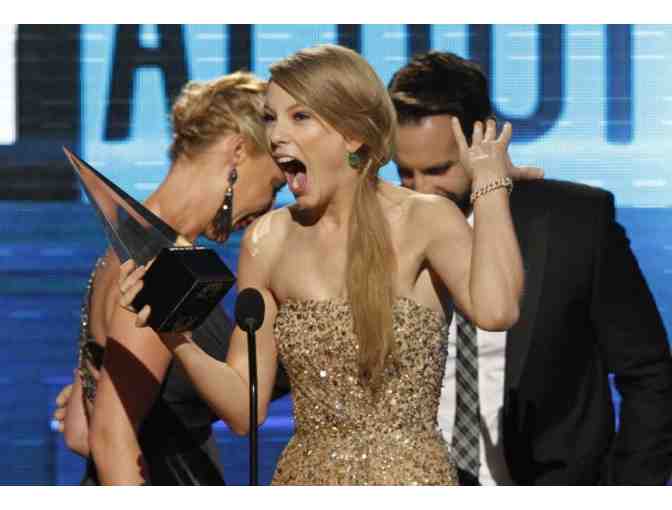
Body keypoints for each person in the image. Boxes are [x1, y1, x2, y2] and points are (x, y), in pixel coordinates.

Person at [118, 44, 524, 485]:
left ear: (352, 134)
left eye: (299, 117)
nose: (275, 136)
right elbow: (244, 409)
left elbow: (497, 310)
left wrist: (490, 185)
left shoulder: (427, 219)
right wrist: (174, 336)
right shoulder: (266, 241)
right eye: (270, 118)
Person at [388, 51, 672, 485]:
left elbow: (649, 375)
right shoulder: (383, 233)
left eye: (438, 170)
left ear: (482, 138)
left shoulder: (575, 224)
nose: (421, 191)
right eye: (405, 174)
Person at [52, 71, 287, 485]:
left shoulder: (125, 249)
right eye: (273, 184)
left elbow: (78, 430)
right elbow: (109, 439)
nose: (268, 205)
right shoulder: (162, 266)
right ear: (238, 151)